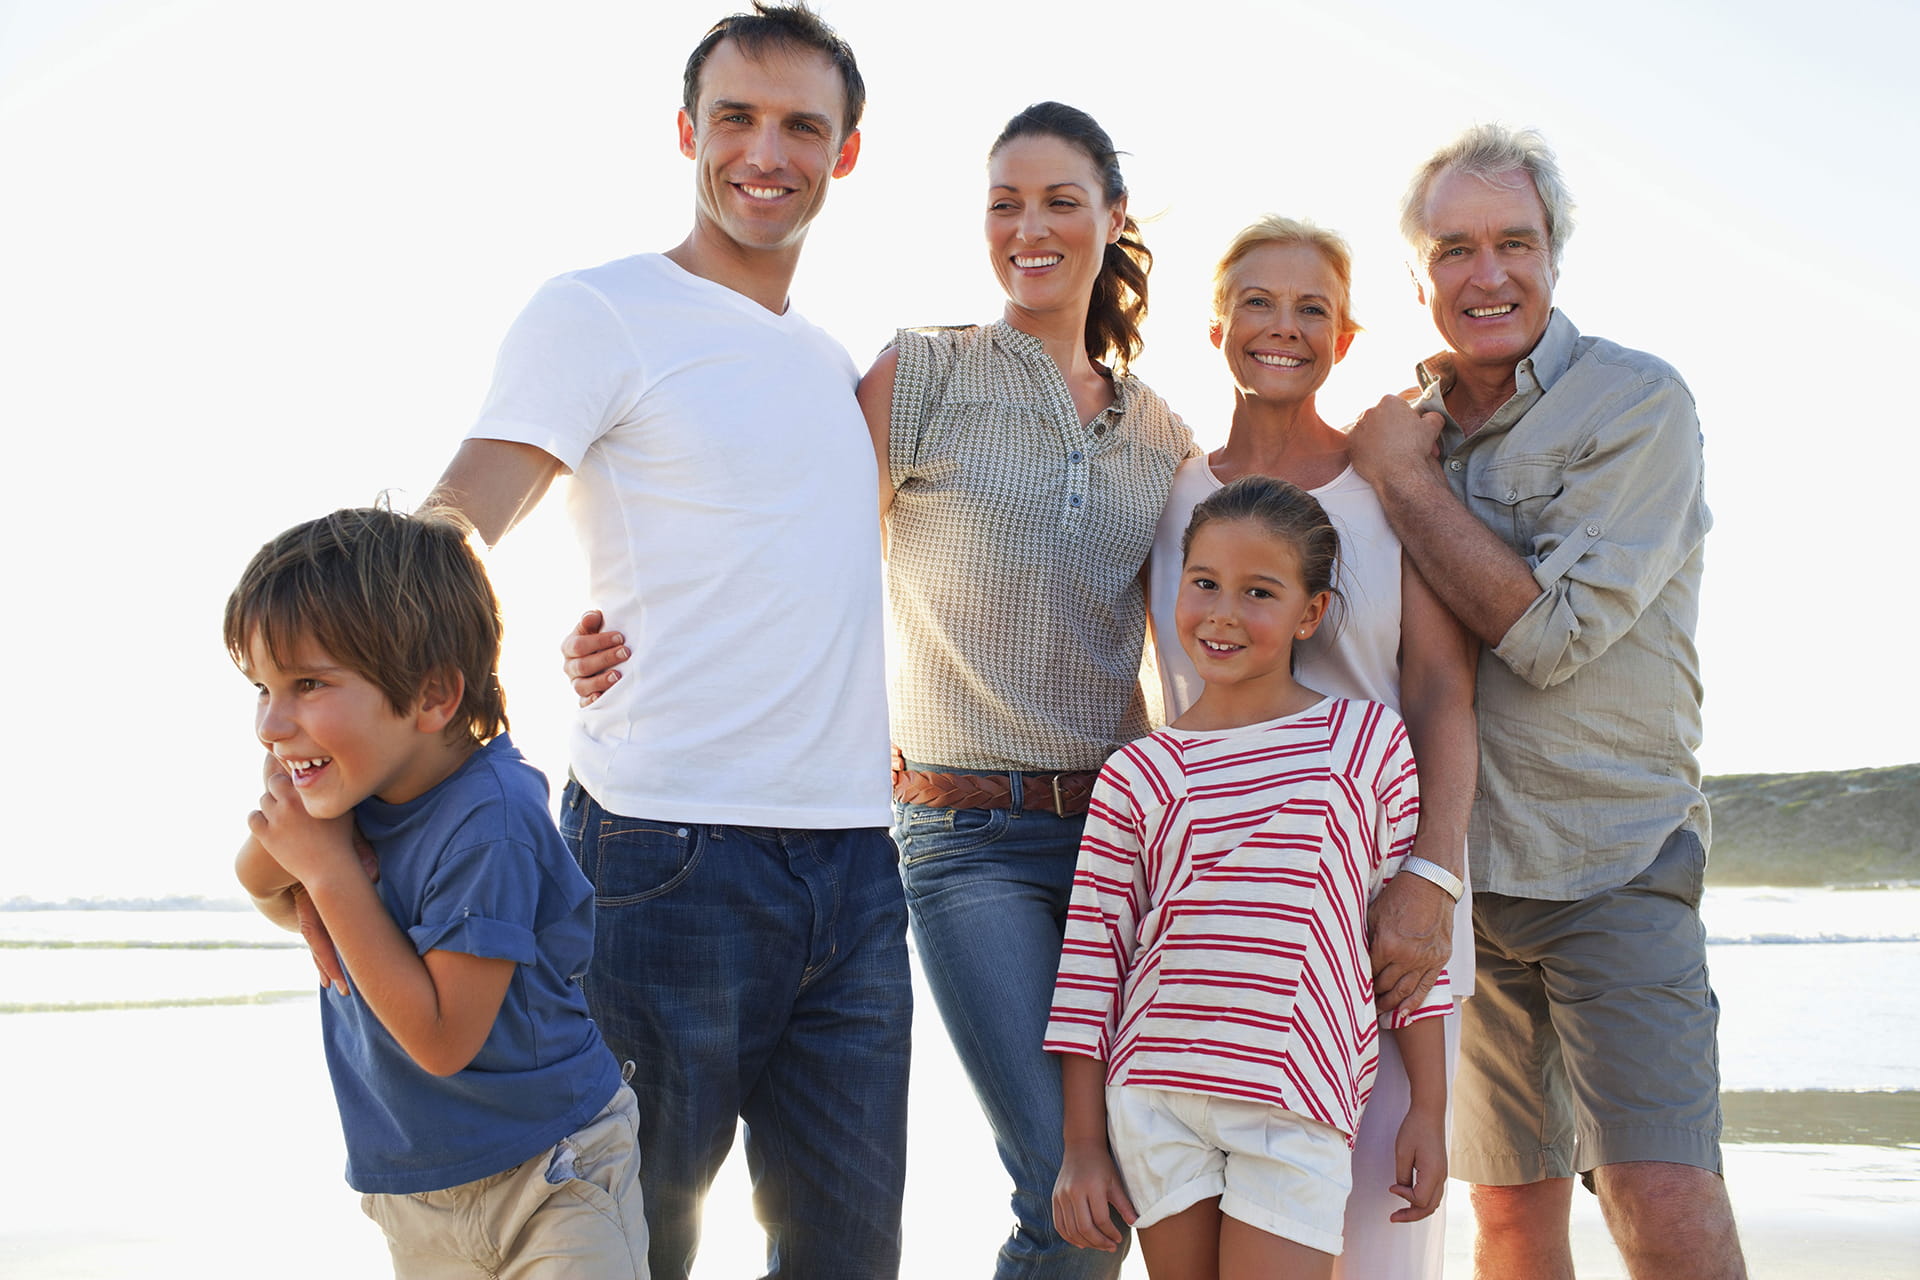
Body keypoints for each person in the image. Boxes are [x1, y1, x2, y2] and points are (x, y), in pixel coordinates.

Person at [420, 6, 910, 1278]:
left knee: (850, 1258)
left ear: (846, 151)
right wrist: (457, 677)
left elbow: (787, 572)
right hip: (664, 853)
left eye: (804, 124)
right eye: (737, 117)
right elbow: (463, 515)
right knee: (638, 1249)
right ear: (687, 132)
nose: (768, 150)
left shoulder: (827, 360)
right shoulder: (601, 310)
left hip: (858, 866)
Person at [1347, 124, 1745, 1279]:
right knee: (1510, 1219)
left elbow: (1555, 635)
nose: (1488, 275)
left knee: (1660, 1196)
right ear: (1417, 277)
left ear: (1554, 256)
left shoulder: (1635, 405)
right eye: (1455, 248)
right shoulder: (1403, 426)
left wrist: (1407, 481)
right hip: (1462, 891)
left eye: (1514, 242)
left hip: (1613, 862)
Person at [862, 102, 1192, 1278]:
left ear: (1112, 219)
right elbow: (795, 555)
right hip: (965, 840)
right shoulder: (926, 372)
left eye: (1060, 200)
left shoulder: (1163, 434)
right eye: (1005, 202)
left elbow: (1198, 644)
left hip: (1121, 841)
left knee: (1144, 1177)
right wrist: (625, 635)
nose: (1029, 226)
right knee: (1068, 1187)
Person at [1145, 216, 1478, 1278]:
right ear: (1214, 326)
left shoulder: (1389, 488)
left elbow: (1438, 689)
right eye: (1257, 301)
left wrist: (1430, 874)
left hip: (1385, 926)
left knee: (1377, 1252)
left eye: (1310, 309)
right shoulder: (1172, 495)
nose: (1281, 328)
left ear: (1345, 336)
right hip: (1220, 952)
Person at [1047, 476, 1451, 1280]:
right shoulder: (1138, 771)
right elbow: (1094, 964)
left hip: (1299, 1093)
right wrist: (1082, 1146)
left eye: (1258, 592)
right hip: (1155, 1094)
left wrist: (1430, 1109)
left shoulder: (1364, 743)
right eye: (1205, 583)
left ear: (1310, 613)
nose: (1223, 612)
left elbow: (1404, 948)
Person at [227, 506, 647, 1279]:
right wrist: (312, 858)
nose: (271, 724)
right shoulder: (350, 788)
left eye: (308, 684)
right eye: (261, 686)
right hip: (416, 1188)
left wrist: (326, 872)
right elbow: (257, 877)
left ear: (432, 696)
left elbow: (444, 1038)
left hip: (551, 1173)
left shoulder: (492, 821)